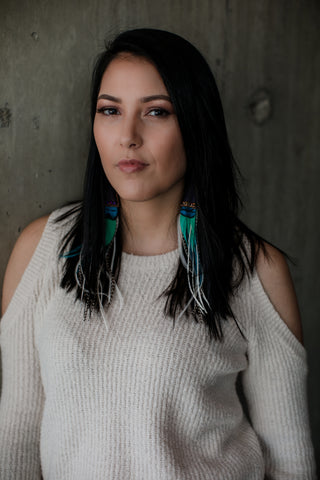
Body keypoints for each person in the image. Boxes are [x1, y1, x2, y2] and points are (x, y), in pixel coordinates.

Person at [0, 28, 316, 479]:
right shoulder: (43, 249)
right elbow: (16, 439)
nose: (127, 136)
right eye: (110, 110)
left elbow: (290, 463)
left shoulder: (254, 268)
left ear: (195, 123)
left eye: (156, 112)